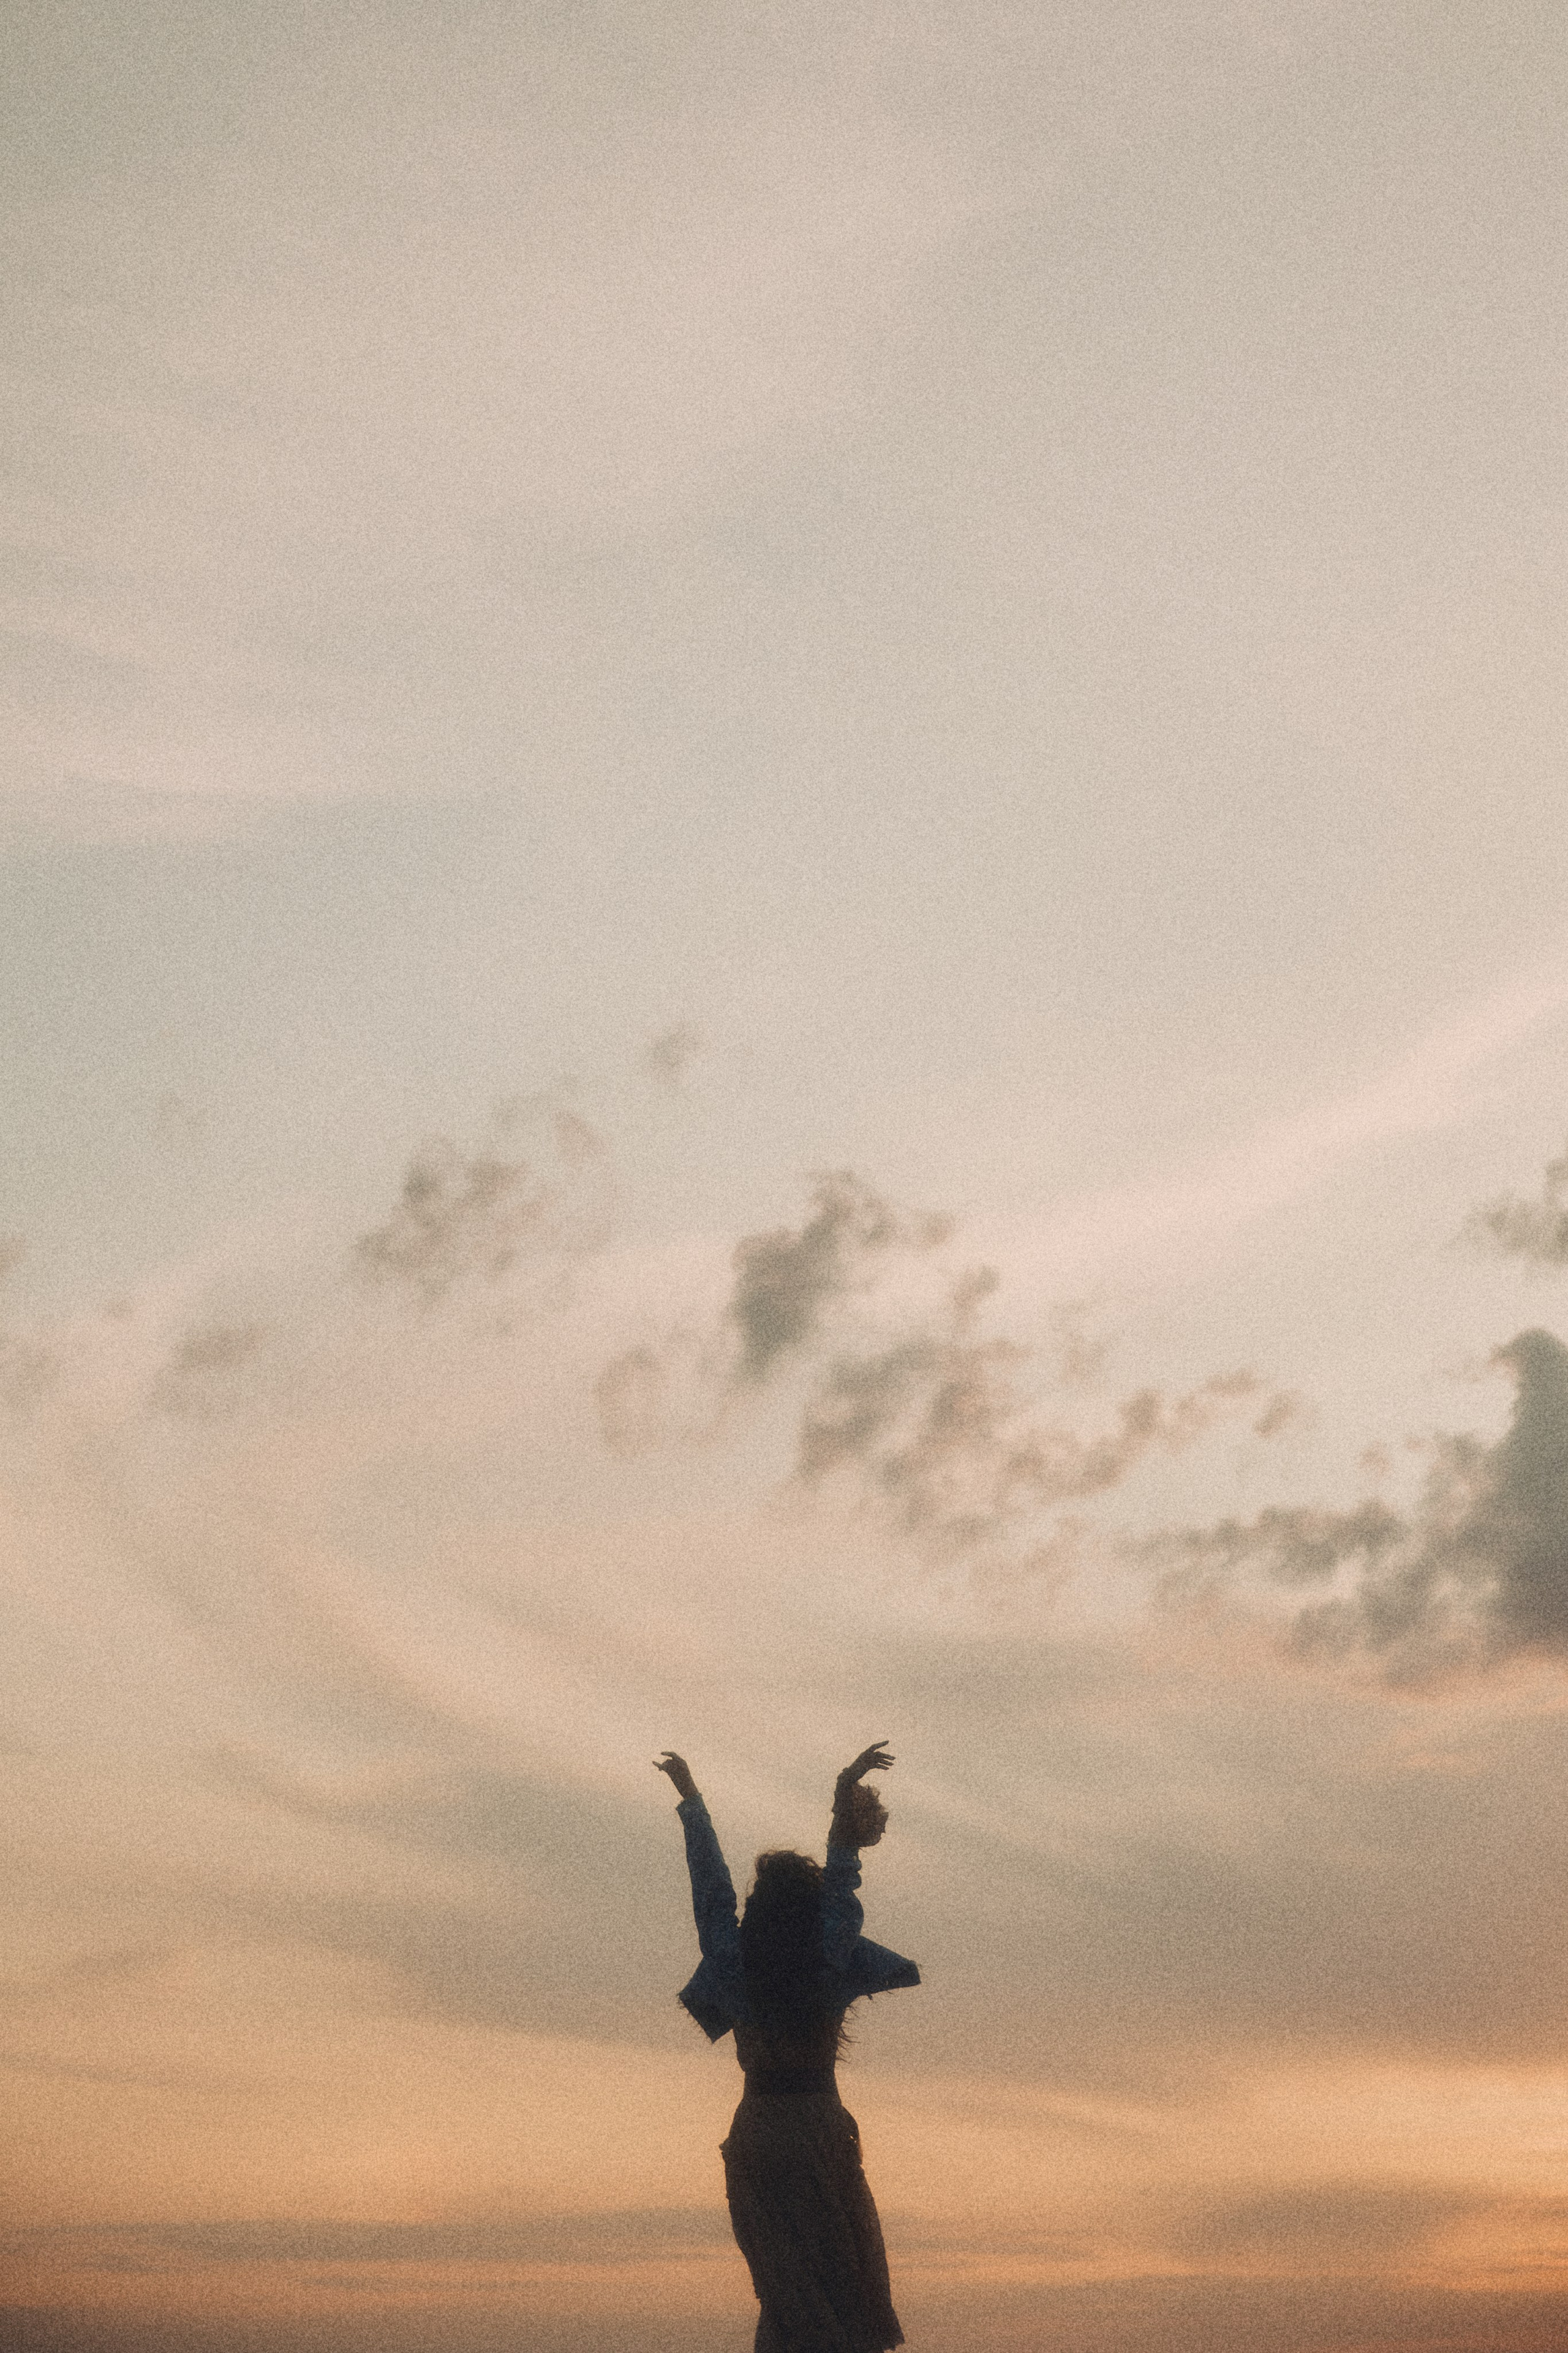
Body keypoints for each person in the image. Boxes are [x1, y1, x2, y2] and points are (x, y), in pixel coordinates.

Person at [655, 1741, 920, 2353]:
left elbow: (712, 1893)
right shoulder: (828, 1957)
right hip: (818, 2126)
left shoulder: (734, 1959)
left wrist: (691, 1800)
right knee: (842, 2287)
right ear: (810, 1906)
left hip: (759, 2132)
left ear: (758, 1908)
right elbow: (843, 1875)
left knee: (784, 2293)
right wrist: (842, 1797)